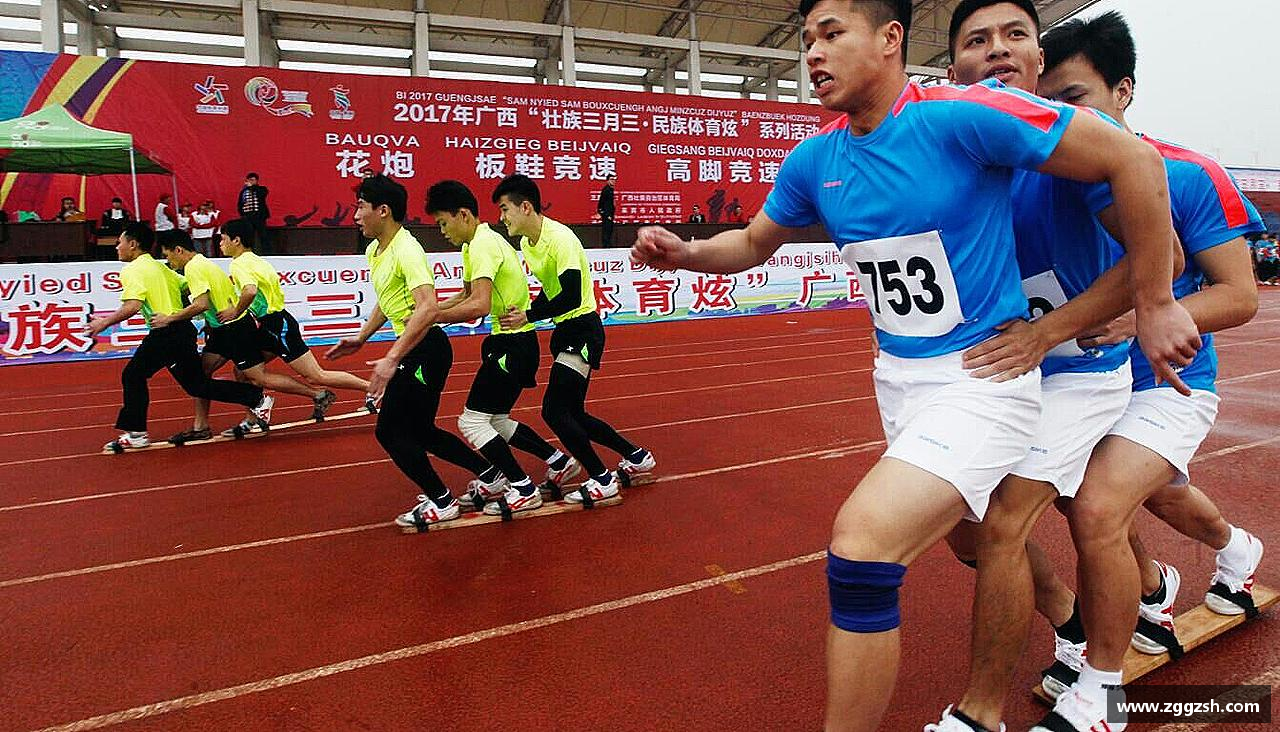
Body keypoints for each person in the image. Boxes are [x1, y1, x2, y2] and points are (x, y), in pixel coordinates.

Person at [630, 1, 1197, 729]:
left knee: (864, 548)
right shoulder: (816, 159)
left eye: (831, 34)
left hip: (983, 381)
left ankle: (1001, 703)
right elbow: (752, 242)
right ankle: (1065, 613)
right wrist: (690, 254)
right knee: (968, 537)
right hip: (899, 383)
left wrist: (1153, 302)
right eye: (808, 40)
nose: (813, 55)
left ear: (891, 38)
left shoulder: (959, 118)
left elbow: (1135, 158)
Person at [1021, 14, 1265, 732]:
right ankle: (1198, 565)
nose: (1059, 120)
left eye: (1075, 99)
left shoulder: (1185, 173)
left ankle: (1104, 691)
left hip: (1164, 383)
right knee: (1123, 501)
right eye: (1045, 104)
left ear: (1124, 90)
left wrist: (1143, 313)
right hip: (1075, 381)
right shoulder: (1032, 180)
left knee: (1098, 505)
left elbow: (1240, 293)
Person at [325, 175, 504, 529]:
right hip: (414, 349)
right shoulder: (376, 250)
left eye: (361, 207)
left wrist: (392, 357)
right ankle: (492, 475)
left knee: (389, 432)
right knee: (420, 431)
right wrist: (362, 337)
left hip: (426, 350)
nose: (356, 215)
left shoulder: (407, 249)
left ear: (383, 210)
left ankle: (442, 501)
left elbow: (427, 306)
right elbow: (388, 299)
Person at [493, 174, 656, 504]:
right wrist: (524, 311)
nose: (502, 218)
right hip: (565, 331)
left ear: (526, 207)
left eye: (505, 209)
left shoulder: (560, 238)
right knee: (573, 414)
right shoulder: (528, 244)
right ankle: (636, 457)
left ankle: (602, 479)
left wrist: (529, 316)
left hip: (582, 328)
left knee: (554, 411)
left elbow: (568, 296)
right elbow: (550, 292)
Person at [427, 180, 582, 516]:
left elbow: (479, 306)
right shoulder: (472, 246)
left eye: (443, 222)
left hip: (514, 343)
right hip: (509, 341)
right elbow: (466, 296)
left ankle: (522, 487)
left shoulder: (484, 244)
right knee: (494, 419)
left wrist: (433, 317)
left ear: (463, 215)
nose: (441, 231)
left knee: (472, 422)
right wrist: (428, 317)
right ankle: (557, 462)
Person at [83, 223, 269, 451]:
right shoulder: (162, 269)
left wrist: (103, 322)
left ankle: (136, 433)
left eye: (119, 243)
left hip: (166, 333)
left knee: (133, 375)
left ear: (133, 245)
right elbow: (185, 288)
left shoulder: (132, 270)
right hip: (182, 332)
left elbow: (133, 304)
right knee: (196, 385)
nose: (117, 247)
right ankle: (255, 397)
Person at [189, 218, 372, 440]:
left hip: (278, 326)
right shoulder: (257, 261)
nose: (220, 244)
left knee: (315, 375)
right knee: (243, 371)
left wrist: (234, 312)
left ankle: (373, 389)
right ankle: (252, 419)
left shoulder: (239, 264)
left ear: (236, 240)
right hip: (268, 326)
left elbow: (249, 291)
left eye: (224, 239)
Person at [238, 172, 271, 254]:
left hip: (259, 217)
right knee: (249, 236)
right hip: (248, 217)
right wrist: (242, 214)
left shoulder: (262, 189)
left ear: (256, 181)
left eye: (253, 180)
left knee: (263, 235)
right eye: (249, 180)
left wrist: (252, 187)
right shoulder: (244, 192)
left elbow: (262, 195)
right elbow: (240, 204)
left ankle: (267, 253)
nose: (251, 182)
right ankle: (250, 252)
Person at [597, 174, 616, 246]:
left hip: (610, 214)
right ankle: (606, 245)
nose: (613, 181)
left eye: (614, 180)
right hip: (607, 214)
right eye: (611, 179)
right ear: (607, 181)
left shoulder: (611, 190)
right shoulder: (606, 190)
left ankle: (608, 244)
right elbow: (601, 203)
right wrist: (606, 214)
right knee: (606, 230)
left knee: (610, 230)